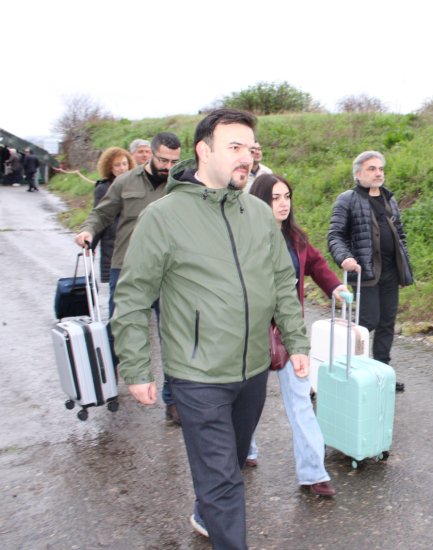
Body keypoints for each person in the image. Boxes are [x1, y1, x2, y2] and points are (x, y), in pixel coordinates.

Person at [111, 108, 309, 548]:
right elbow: (132, 296)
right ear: (204, 151)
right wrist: (138, 367)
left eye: (250, 149)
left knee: (230, 464)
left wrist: (296, 341)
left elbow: (282, 280)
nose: (246, 158)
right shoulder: (163, 217)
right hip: (198, 375)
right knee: (222, 480)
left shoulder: (258, 214)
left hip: (253, 369)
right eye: (234, 148)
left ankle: (206, 510)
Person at [247, 173, 347, 497]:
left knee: (301, 401)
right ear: (260, 201)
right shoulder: (244, 239)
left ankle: (314, 473)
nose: (283, 203)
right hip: (251, 335)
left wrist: (336, 287)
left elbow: (317, 265)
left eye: (287, 196)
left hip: (291, 334)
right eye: (275, 197)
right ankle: (244, 449)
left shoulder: (297, 239)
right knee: (248, 401)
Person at [75, 132, 181, 423]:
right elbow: (102, 213)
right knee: (121, 329)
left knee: (171, 335)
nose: (168, 166)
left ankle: (173, 402)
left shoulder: (179, 185)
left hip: (167, 270)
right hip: (128, 267)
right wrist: (88, 231)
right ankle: (106, 383)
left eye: (174, 161)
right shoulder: (125, 182)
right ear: (149, 156)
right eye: (162, 160)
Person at [328, 150, 413, 392]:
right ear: (358, 174)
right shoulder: (347, 199)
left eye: (380, 169)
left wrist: (403, 261)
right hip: (365, 273)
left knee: (387, 322)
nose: (378, 173)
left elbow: (401, 235)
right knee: (367, 322)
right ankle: (354, 370)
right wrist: (344, 257)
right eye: (372, 169)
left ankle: (382, 373)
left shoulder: (389, 199)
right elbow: (335, 235)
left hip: (390, 272)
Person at [92, 147, 134, 283]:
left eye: (124, 163)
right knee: (116, 292)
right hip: (113, 244)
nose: (122, 168)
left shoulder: (137, 185)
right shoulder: (103, 189)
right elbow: (100, 216)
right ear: (109, 167)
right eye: (117, 165)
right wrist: (91, 244)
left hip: (134, 242)